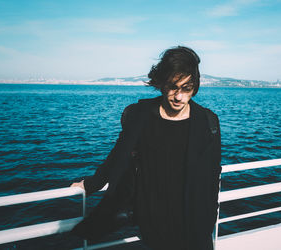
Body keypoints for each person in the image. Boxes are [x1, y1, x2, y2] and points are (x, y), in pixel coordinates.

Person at [70, 46, 221, 250]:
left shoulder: (207, 122)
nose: (179, 97)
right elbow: (118, 155)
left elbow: (213, 173)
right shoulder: (140, 115)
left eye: (186, 88)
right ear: (161, 83)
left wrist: (209, 216)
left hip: (193, 221)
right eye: (173, 87)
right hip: (153, 220)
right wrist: (91, 184)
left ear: (195, 86)